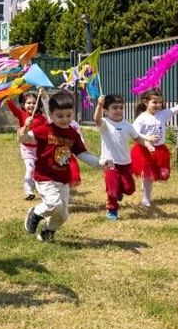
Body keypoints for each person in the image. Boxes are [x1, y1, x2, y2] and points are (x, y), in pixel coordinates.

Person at [21, 92, 112, 243]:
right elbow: (24, 138)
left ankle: (47, 232)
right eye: (60, 116)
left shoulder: (72, 134)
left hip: (63, 179)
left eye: (68, 115)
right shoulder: (44, 130)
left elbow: (82, 154)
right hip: (45, 177)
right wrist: (24, 129)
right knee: (53, 203)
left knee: (63, 215)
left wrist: (100, 163)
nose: (65, 119)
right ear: (51, 114)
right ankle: (35, 213)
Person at [132, 86, 178, 207]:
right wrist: (147, 138)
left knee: (164, 174)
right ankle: (146, 199)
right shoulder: (141, 118)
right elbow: (134, 133)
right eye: (154, 102)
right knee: (149, 175)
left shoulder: (162, 114)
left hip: (160, 150)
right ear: (146, 102)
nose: (158, 105)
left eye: (160, 102)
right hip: (145, 150)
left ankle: (146, 182)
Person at [94, 94, 156, 220]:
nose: (118, 110)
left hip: (125, 164)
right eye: (114, 108)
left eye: (121, 107)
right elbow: (97, 119)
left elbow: (137, 138)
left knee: (130, 189)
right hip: (109, 163)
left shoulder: (127, 125)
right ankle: (112, 210)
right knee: (112, 190)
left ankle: (119, 192)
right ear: (106, 111)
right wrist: (99, 105)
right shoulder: (105, 123)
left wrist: (148, 145)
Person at [6, 90, 45, 200]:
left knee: (38, 170)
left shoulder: (42, 118)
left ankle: (38, 187)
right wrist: (7, 97)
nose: (31, 105)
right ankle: (28, 190)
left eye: (34, 103)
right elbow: (12, 108)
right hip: (27, 148)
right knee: (30, 168)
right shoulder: (21, 114)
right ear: (23, 105)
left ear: (38, 104)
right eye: (28, 103)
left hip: (38, 149)